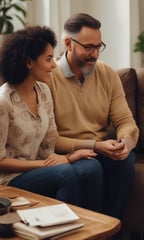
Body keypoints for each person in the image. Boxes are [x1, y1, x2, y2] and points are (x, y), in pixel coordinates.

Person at [0, 26, 103, 212]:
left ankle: (98, 230)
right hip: (9, 179)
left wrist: (69, 156)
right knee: (66, 173)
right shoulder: (3, 101)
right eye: (48, 59)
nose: (54, 65)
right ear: (29, 62)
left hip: (40, 167)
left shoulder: (43, 91)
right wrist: (63, 161)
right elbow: (0, 162)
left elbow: (50, 140)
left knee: (91, 167)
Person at [46, 13, 139, 219]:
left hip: (100, 149)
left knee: (125, 161)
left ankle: (111, 228)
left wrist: (126, 142)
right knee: (90, 168)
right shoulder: (48, 78)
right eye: (89, 47)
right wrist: (94, 146)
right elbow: (49, 139)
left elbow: (125, 121)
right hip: (68, 152)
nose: (95, 54)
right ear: (68, 44)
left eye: (99, 47)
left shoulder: (107, 74)